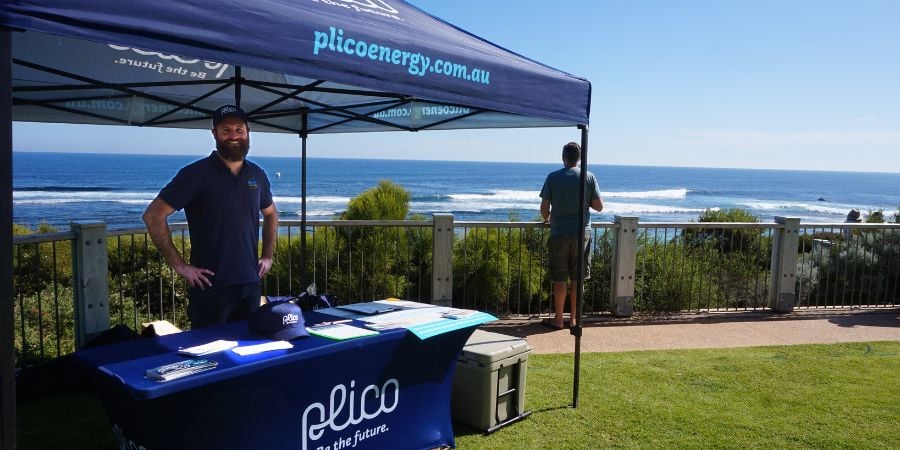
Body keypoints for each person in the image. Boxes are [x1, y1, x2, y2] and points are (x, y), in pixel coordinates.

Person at [143, 105, 279, 329]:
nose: (234, 136)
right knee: (211, 358)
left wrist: (267, 255)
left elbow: (271, 212)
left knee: (250, 352)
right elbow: (153, 216)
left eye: (239, 129)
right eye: (226, 130)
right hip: (211, 288)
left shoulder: (257, 174)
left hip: (251, 283)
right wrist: (180, 266)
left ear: (248, 132)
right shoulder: (195, 174)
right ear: (214, 133)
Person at [539, 142, 603, 330]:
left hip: (558, 232)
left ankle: (558, 319)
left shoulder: (553, 177)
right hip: (582, 233)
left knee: (560, 278)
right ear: (580, 158)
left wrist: (548, 218)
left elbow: (544, 208)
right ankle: (574, 320)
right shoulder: (589, 177)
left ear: (563, 157)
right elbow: (599, 206)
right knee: (578, 278)